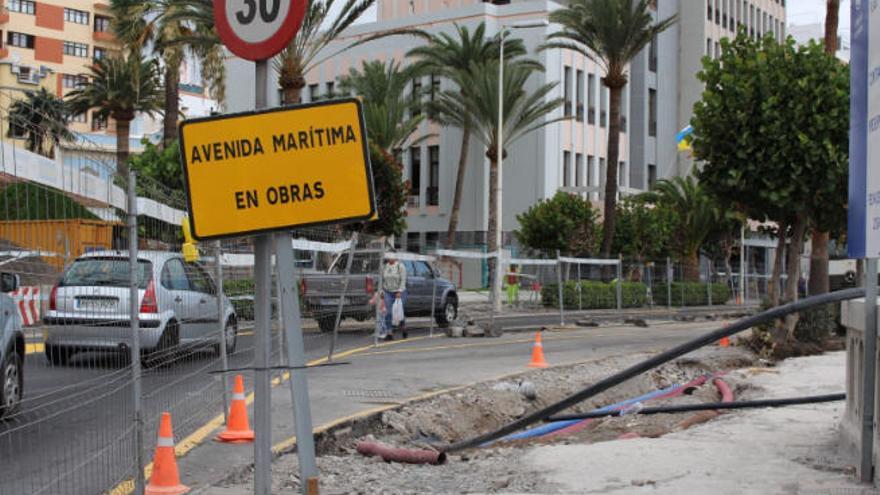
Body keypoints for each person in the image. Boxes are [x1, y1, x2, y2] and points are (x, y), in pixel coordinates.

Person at [381, 258, 407, 341]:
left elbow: (403, 280)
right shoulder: (385, 267)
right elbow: (381, 280)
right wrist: (381, 291)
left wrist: (399, 291)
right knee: (388, 312)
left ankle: (403, 326)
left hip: (399, 292)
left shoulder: (400, 266)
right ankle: (389, 333)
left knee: (398, 312)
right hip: (387, 291)